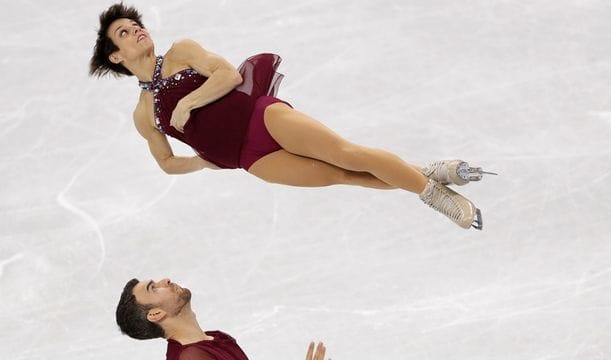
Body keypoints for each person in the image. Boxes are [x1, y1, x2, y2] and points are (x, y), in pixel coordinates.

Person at [90, 3, 495, 229]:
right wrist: (199, 162)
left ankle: (434, 195)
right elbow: (164, 162)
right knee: (342, 176)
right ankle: (428, 171)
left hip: (262, 118)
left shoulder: (181, 50)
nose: (136, 31)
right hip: (251, 160)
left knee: (346, 154)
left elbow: (228, 74)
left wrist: (189, 102)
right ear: (116, 56)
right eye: (124, 33)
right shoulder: (144, 115)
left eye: (135, 25)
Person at [116, 278, 330, 360]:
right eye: (154, 288)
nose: (166, 280)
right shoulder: (191, 357)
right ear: (155, 314)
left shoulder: (214, 338)